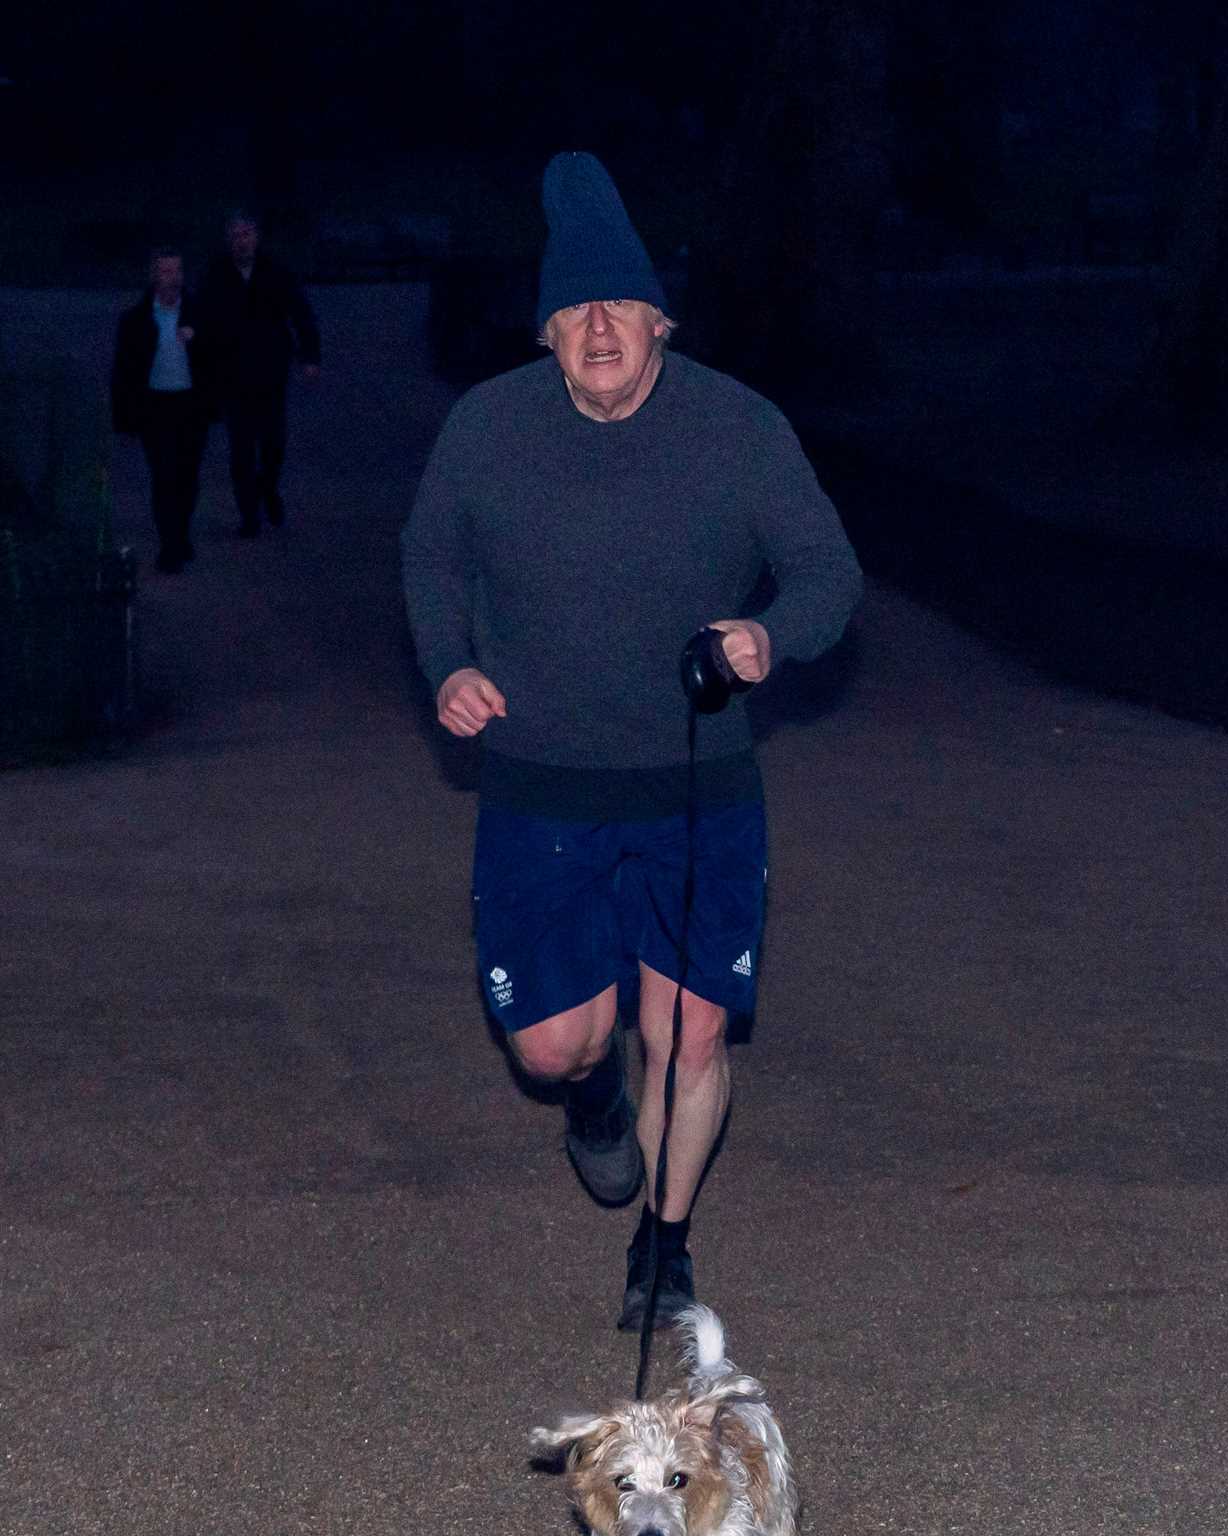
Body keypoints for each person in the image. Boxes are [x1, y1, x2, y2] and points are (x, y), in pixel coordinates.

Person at [401, 153, 862, 1331]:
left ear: (661, 317)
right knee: (557, 1045)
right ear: (547, 331)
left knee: (689, 1026)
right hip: (539, 784)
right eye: (574, 310)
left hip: (694, 780)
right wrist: (449, 661)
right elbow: (431, 557)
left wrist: (768, 634)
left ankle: (664, 1246)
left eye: (619, 305)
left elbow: (826, 571)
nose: (598, 327)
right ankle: (592, 1102)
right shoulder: (486, 429)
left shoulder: (737, 429)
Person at [198, 212, 320, 536]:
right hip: (232, 372)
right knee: (240, 446)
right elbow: (204, 319)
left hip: (270, 370)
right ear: (229, 240)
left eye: (247, 234)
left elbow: (300, 311)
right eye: (236, 236)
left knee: (273, 442)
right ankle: (248, 514)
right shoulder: (216, 274)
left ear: (257, 237)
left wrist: (309, 355)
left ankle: (268, 488)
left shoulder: (275, 271)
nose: (242, 241)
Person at [110, 248, 214, 573]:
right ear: (154, 277)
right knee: (163, 476)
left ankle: (181, 533)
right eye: (166, 272)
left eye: (177, 271)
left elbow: (220, 358)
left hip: (190, 405)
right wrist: (125, 417)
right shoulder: (135, 320)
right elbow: (123, 370)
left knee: (187, 476)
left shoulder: (199, 313)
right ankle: (169, 544)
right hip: (155, 406)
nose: (173, 278)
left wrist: (199, 341)